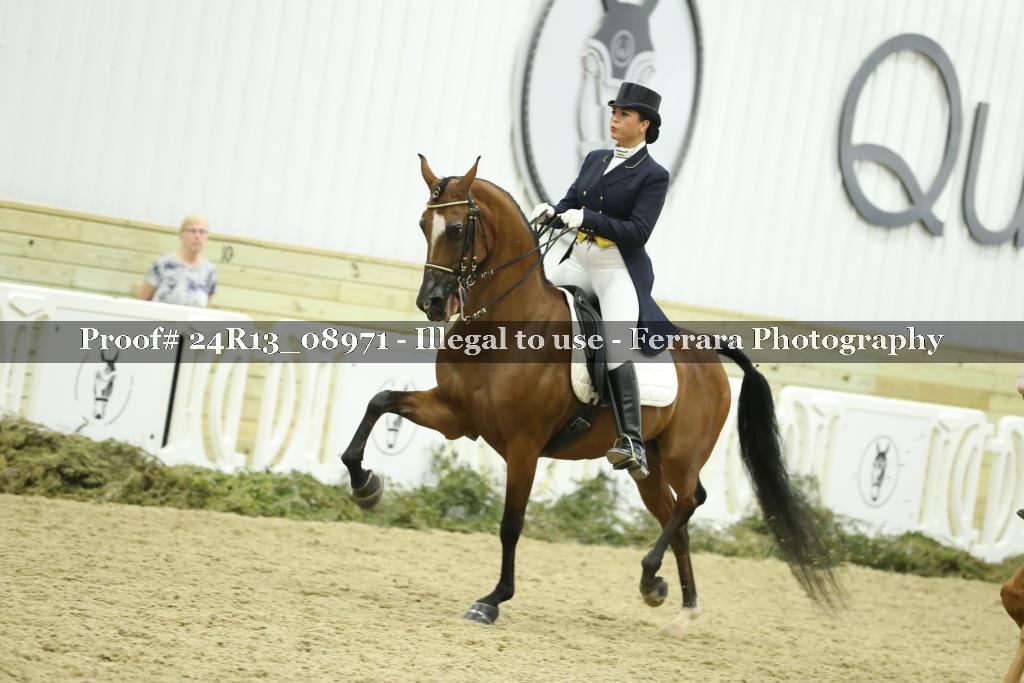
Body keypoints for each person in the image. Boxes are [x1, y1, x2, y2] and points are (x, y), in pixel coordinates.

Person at [530, 81, 673, 481]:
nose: (614, 118)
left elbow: (638, 231)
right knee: (534, 308)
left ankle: (631, 439)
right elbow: (571, 201)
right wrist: (553, 212)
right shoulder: (595, 158)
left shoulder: (653, 175)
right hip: (579, 261)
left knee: (615, 345)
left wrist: (588, 219)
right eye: (614, 112)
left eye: (624, 114)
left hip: (615, 270)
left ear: (644, 125)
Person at [138, 214, 217, 308]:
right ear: (181, 234)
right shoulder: (163, 264)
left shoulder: (209, 270)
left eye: (202, 232)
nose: (197, 236)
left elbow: (205, 309)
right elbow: (141, 303)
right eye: (192, 231)